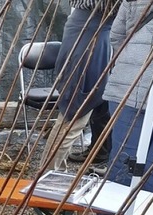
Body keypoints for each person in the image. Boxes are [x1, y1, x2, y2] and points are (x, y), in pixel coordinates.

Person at [95, 0, 153, 215]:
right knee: (135, 171)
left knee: (129, 168)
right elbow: (118, 33)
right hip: (131, 87)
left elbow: (118, 35)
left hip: (130, 84)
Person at [40, 1, 119, 172]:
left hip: (92, 33)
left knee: (78, 110)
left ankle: (54, 171)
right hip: (89, 36)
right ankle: (47, 175)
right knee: (74, 113)